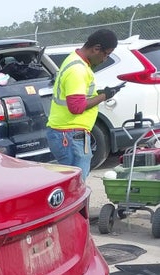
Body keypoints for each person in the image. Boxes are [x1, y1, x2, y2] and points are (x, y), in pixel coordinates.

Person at [46, 29, 121, 179]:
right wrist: (104, 96)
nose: (105, 59)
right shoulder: (78, 69)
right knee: (75, 186)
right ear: (96, 48)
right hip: (69, 135)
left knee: (71, 185)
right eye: (106, 54)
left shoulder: (75, 60)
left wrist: (98, 94)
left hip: (68, 133)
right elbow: (76, 107)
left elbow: (78, 95)